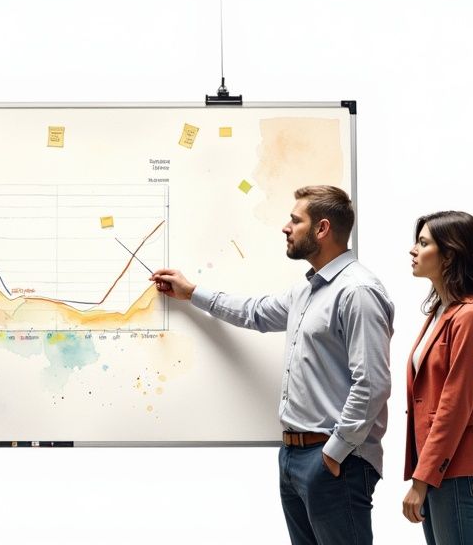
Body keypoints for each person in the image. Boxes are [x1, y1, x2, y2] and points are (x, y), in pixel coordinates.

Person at [150, 185, 393, 545]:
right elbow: (254, 312)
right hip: (295, 457)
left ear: (322, 229)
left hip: (334, 462)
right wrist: (192, 292)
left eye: (296, 220)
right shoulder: (307, 290)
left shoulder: (357, 291)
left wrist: (335, 452)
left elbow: (372, 383)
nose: (286, 227)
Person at [401, 211, 473, 544]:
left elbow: (455, 405)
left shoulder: (471, 316)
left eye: (423, 243)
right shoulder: (442, 312)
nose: (413, 250)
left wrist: (422, 479)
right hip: (442, 468)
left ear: (450, 254)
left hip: (457, 469)